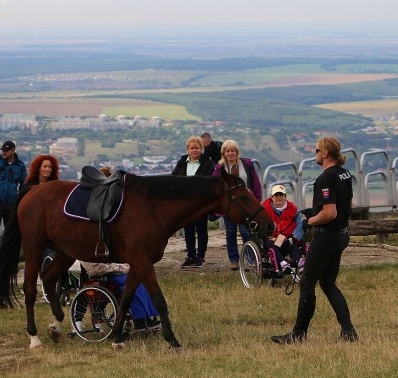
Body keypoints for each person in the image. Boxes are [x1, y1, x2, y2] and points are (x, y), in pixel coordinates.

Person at [272, 137, 357, 344]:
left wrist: (310, 219)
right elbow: (348, 205)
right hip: (342, 234)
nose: (315, 154)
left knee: (308, 283)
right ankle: (349, 332)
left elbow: (329, 213)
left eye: (317, 150)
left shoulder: (325, 179)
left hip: (327, 236)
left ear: (325, 153)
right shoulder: (345, 174)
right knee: (328, 283)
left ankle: (298, 334)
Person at [212, 140, 262, 270]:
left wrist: (256, 200)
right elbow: (215, 188)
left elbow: (255, 182)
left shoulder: (247, 164)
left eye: (232, 151)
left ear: (236, 152)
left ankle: (250, 259)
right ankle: (234, 260)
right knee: (230, 232)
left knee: (246, 232)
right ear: (223, 153)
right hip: (228, 207)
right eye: (227, 151)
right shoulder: (219, 169)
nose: (230, 153)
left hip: (245, 206)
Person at [77, 260, 161, 334]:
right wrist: (123, 268)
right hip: (104, 275)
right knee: (131, 285)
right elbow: (96, 269)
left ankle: (147, 317)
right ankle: (139, 320)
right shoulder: (85, 252)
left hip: (111, 272)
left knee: (139, 281)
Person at [171, 135, 216, 268]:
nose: (194, 150)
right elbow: (174, 178)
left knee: (201, 229)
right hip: (185, 202)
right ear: (187, 149)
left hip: (201, 202)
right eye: (192, 148)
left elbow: (210, 182)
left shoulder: (207, 163)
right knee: (188, 230)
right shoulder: (182, 163)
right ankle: (191, 255)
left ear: (201, 149)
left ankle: (201, 256)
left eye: (197, 148)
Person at [0, 140, 27, 262]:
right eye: (3, 150)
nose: (4, 153)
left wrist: (19, 202)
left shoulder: (20, 166)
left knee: (11, 234)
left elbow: (23, 186)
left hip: (12, 204)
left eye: (6, 151)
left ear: (13, 150)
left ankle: (10, 261)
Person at [261, 184, 304, 273]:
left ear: (285, 197)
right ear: (272, 197)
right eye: (276, 195)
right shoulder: (264, 210)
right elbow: (261, 226)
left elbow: (300, 224)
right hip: (272, 239)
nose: (279, 198)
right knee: (270, 243)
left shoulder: (293, 209)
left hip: (288, 238)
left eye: (281, 195)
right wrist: (268, 236)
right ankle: (283, 264)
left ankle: (298, 262)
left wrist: (295, 236)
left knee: (292, 243)